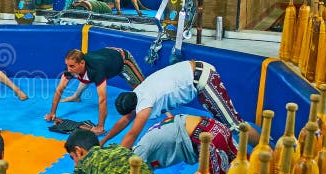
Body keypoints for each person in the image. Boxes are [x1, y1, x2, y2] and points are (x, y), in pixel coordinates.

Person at [102, 60, 260, 148]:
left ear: (135, 109)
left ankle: (271, 155)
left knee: (236, 126)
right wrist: (103, 141)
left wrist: (117, 157)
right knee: (223, 125)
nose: (130, 117)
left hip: (202, 78)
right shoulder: (136, 92)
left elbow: (132, 134)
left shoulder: (145, 103)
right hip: (196, 76)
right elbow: (124, 121)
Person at [133, 114, 238, 174]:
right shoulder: (147, 140)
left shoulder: (140, 152)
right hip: (215, 126)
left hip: (206, 138)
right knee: (241, 167)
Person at [45, 48, 145, 137]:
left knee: (142, 88)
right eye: (67, 65)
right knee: (83, 76)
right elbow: (59, 89)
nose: (68, 69)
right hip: (106, 58)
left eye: (71, 66)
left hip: (122, 59)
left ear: (82, 63)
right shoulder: (73, 68)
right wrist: (52, 112)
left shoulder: (96, 70)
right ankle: (76, 96)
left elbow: (102, 99)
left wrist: (100, 126)